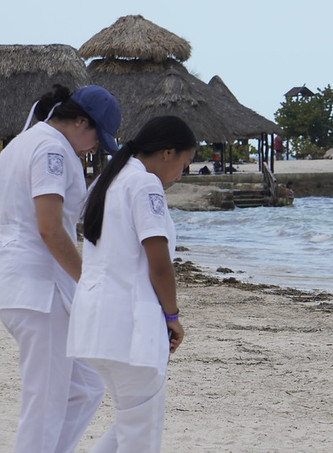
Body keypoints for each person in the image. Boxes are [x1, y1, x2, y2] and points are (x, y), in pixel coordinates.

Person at [0, 84, 121, 453]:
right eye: (99, 136)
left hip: (20, 286)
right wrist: (90, 284)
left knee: (86, 387)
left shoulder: (19, 144)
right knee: (45, 404)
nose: (98, 146)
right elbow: (49, 227)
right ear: (81, 121)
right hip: (41, 291)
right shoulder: (53, 149)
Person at [66, 116, 194, 451]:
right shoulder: (145, 184)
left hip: (95, 322)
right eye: (184, 164)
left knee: (130, 426)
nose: (181, 174)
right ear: (167, 152)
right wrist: (172, 316)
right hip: (128, 326)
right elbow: (159, 263)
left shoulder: (110, 181)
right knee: (141, 436)